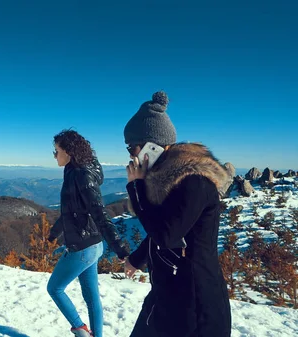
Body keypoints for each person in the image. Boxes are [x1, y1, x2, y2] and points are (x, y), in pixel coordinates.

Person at [123, 91, 232, 337]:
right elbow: (163, 225)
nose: (131, 154)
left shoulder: (195, 182)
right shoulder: (167, 182)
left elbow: (167, 234)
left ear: (152, 145)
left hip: (195, 304)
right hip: (166, 293)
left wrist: (136, 186)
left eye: (132, 147)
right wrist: (137, 258)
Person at [47, 129, 130, 337]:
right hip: (93, 246)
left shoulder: (82, 176)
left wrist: (120, 248)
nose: (54, 155)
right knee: (92, 298)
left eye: (56, 150)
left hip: (83, 248)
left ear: (69, 151)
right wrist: (53, 233)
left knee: (55, 288)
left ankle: (80, 329)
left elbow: (100, 214)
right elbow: (71, 211)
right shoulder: (73, 171)